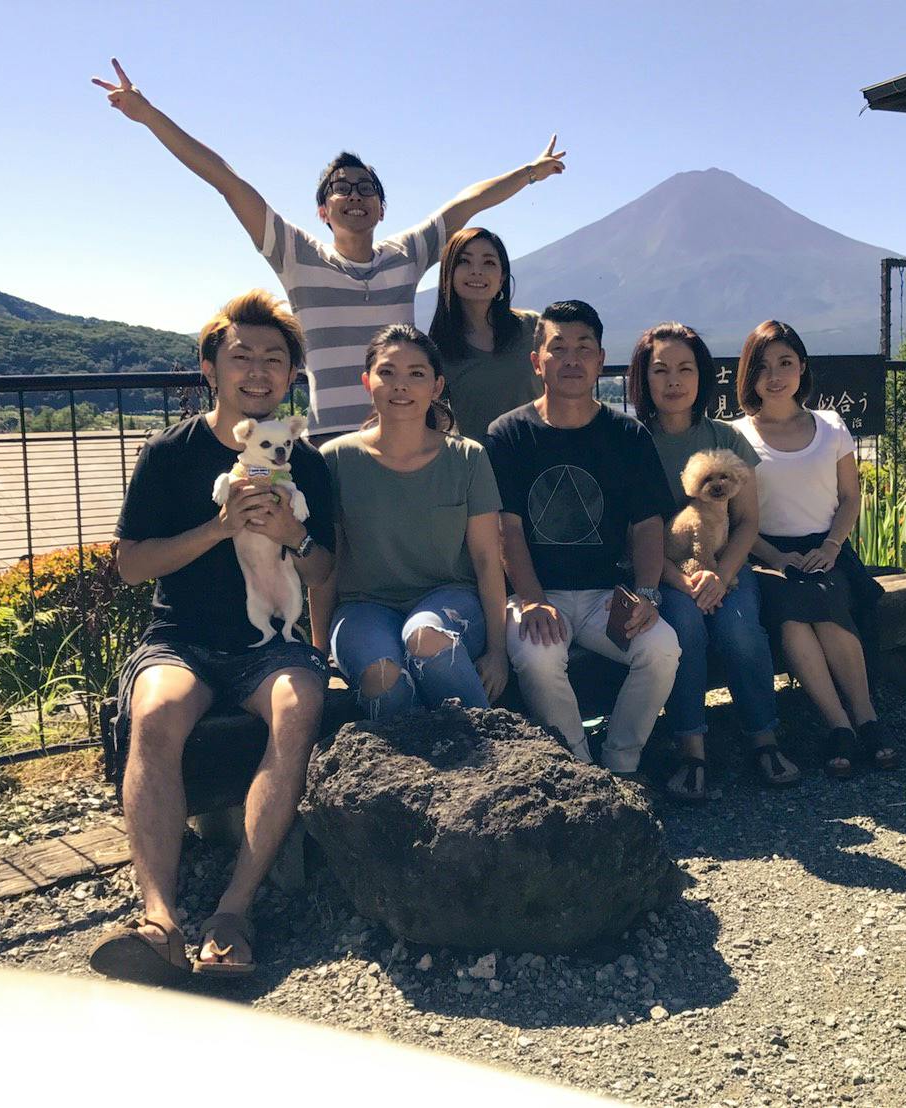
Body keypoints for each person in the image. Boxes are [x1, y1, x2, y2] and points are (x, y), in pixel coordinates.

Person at [91, 58, 566, 440]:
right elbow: (227, 182)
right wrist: (148, 115)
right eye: (341, 188)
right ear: (323, 210)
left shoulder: (407, 255)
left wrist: (530, 173)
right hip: (330, 441)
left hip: (404, 435)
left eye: (366, 188)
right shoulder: (297, 257)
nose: (355, 195)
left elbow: (468, 202)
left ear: (381, 208)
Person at [91, 290, 335, 983]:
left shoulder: (304, 461)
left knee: (297, 708)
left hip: (273, 644)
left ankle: (234, 911)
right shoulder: (170, 454)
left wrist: (293, 534)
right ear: (210, 369)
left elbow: (324, 568)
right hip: (182, 637)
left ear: (292, 376)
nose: (257, 371)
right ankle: (159, 918)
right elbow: (132, 566)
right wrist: (219, 528)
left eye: (274, 359)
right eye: (241, 356)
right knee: (156, 712)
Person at [485, 301, 680, 775]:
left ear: (600, 360)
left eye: (584, 348)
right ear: (537, 361)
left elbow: (648, 524)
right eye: (558, 348)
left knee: (661, 648)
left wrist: (648, 593)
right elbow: (507, 528)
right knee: (538, 658)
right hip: (536, 593)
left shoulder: (628, 435)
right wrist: (532, 599)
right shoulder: (508, 434)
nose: (571, 359)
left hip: (606, 594)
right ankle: (579, 769)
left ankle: (621, 763)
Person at [626, 323, 800, 801]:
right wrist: (681, 581)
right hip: (663, 571)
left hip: (726, 566)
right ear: (643, 378)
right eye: (661, 370)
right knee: (685, 629)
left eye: (686, 369)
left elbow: (747, 522)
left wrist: (721, 576)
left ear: (702, 376)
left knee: (741, 629)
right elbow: (632, 535)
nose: (674, 381)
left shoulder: (725, 438)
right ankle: (692, 750)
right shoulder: (630, 441)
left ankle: (764, 738)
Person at [731, 321, 898, 778]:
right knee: (792, 616)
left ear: (802, 367)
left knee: (824, 602)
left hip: (828, 549)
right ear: (748, 375)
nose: (775, 376)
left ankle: (864, 716)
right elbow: (738, 519)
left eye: (785, 363)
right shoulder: (736, 436)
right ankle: (841, 724)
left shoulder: (830, 426)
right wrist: (774, 557)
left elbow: (850, 498)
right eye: (763, 367)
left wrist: (831, 546)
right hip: (767, 556)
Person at [312, 325, 508, 717]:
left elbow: (487, 559)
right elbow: (327, 566)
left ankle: (486, 744)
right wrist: (317, 656)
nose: (400, 385)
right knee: (383, 678)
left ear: (436, 387)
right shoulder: (334, 460)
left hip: (450, 600)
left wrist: (498, 652)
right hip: (363, 607)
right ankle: (417, 757)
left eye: (416, 374)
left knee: (425, 639)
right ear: (367, 382)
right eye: (387, 372)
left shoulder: (468, 458)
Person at [428, 228, 543, 439]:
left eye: (488, 262)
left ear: (502, 278)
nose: (477, 271)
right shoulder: (438, 349)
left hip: (541, 456)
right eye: (464, 261)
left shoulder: (533, 327)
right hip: (480, 459)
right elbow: (437, 426)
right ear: (448, 273)